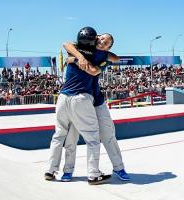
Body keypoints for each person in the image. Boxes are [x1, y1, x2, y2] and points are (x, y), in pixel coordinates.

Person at [45, 27, 111, 185]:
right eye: (98, 38)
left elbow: (66, 44)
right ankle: (93, 174)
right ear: (94, 40)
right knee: (93, 138)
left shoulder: (74, 51)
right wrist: (80, 59)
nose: (100, 40)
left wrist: (75, 58)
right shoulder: (97, 54)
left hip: (62, 98)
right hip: (80, 98)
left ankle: (50, 170)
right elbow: (96, 70)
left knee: (59, 135)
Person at [60, 33, 130, 182]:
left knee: (108, 135)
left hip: (96, 100)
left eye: (107, 43)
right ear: (96, 37)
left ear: (108, 48)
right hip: (77, 99)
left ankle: (119, 168)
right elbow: (66, 44)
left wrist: (74, 59)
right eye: (103, 38)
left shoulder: (105, 57)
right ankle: (67, 171)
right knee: (71, 137)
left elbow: (112, 60)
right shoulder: (83, 47)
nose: (104, 42)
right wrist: (79, 57)